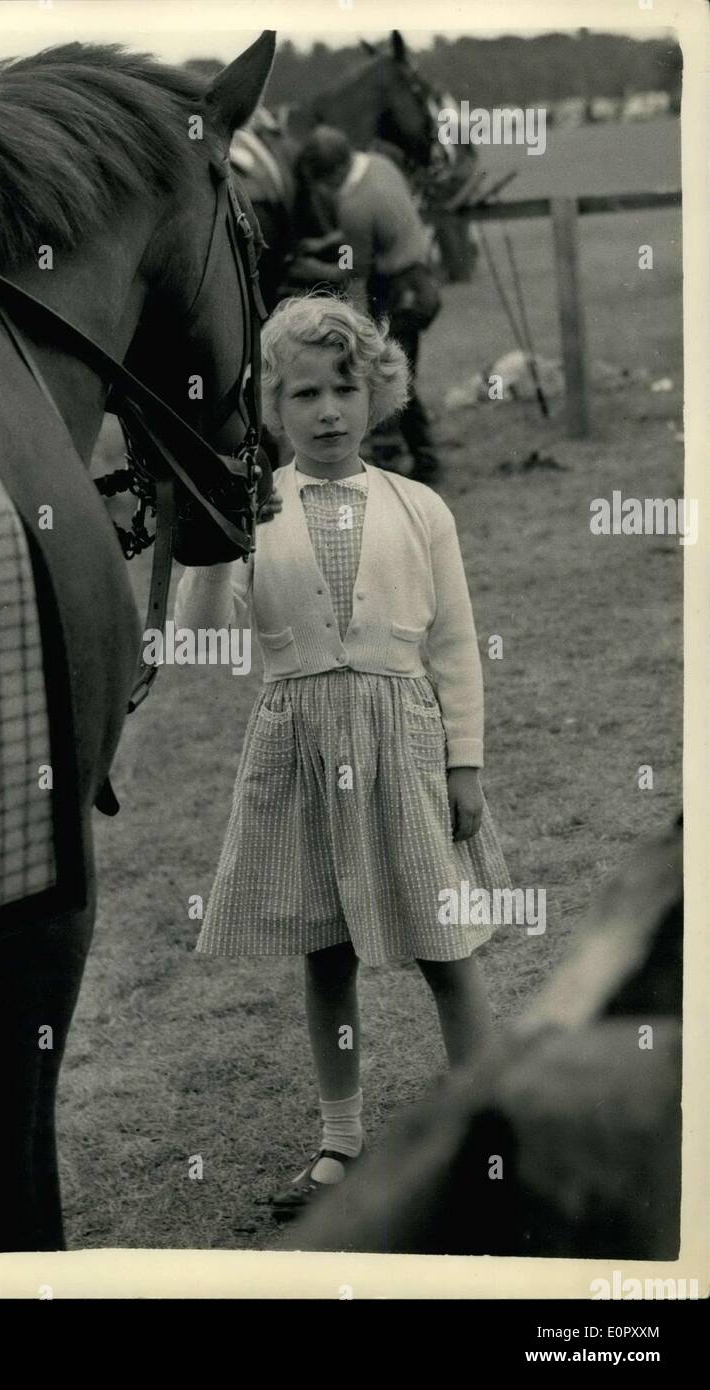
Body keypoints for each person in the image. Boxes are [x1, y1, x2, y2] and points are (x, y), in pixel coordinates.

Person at [174, 294, 511, 1215]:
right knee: (325, 952)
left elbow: (453, 646)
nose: (326, 411)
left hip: (402, 744)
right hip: (299, 756)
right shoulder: (255, 511)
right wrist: (208, 536)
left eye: (344, 390)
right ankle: (341, 1135)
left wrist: (465, 763)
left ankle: (484, 1125)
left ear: (376, 395)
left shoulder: (418, 507)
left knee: (446, 948)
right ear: (272, 413)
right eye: (302, 395)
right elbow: (200, 642)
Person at [293, 126, 445, 487]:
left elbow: (352, 268)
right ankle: (414, 458)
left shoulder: (353, 207)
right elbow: (378, 226)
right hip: (422, 279)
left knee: (392, 378)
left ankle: (420, 463)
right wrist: (325, 242)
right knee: (397, 374)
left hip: (400, 291)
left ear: (332, 174)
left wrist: (309, 267)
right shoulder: (380, 165)